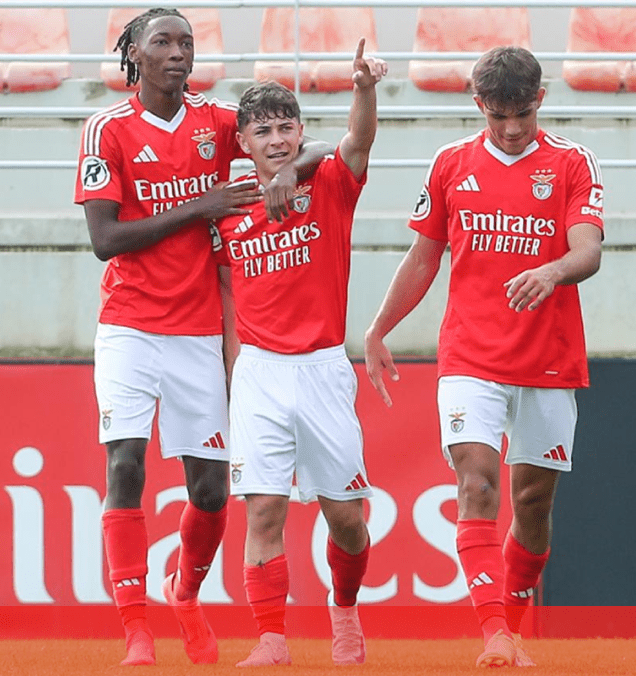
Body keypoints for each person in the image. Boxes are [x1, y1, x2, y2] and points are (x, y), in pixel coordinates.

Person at [73, 8, 329, 667]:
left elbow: (305, 149)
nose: (178, 52)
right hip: (129, 324)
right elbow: (104, 240)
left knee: (212, 492)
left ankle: (183, 596)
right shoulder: (108, 129)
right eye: (163, 41)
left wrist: (279, 177)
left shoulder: (217, 123)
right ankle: (136, 629)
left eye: (187, 41)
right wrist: (199, 206)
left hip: (197, 332)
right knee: (124, 464)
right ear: (133, 52)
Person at [363, 46, 604, 668]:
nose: (512, 127)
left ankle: (512, 630)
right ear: (479, 107)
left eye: (522, 113)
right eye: (499, 115)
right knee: (476, 483)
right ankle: (494, 632)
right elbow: (424, 258)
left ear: (541, 100)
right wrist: (379, 328)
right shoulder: (451, 164)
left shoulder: (573, 163)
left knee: (532, 504)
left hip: (548, 360)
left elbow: (589, 252)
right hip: (470, 355)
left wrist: (552, 270)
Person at [210, 40, 387, 668]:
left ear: (302, 131)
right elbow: (225, 298)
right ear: (244, 143)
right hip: (258, 371)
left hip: (321, 367)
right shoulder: (227, 209)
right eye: (263, 131)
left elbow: (357, 143)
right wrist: (231, 379)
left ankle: (344, 610)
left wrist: (363, 89)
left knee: (346, 518)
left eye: (288, 128)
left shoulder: (330, 182)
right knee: (264, 507)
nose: (278, 140)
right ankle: (270, 638)